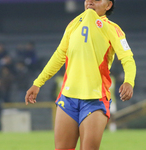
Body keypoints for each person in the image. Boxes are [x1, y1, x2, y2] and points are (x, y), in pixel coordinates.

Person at [25, 0, 136, 150]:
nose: (90, 1)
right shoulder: (73, 24)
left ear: (108, 5)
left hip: (95, 100)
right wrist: (38, 83)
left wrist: (129, 81)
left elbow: (128, 59)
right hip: (68, 98)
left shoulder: (113, 29)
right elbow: (59, 56)